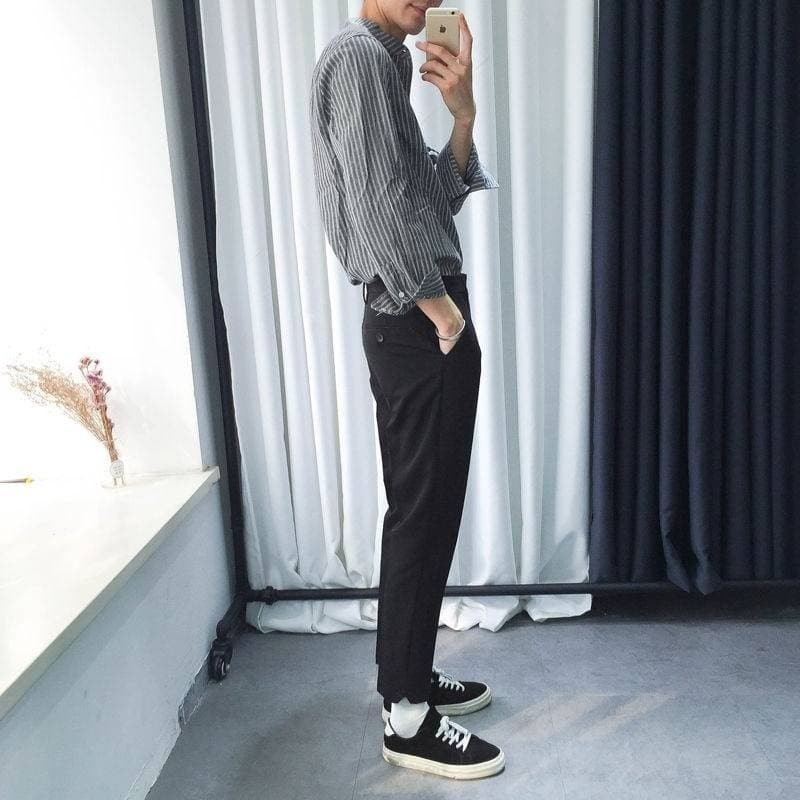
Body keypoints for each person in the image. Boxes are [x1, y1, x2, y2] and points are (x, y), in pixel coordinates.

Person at [309, 0, 504, 780]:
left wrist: (463, 117)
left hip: (418, 319)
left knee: (423, 512)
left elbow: (427, 192)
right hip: (417, 320)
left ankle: (409, 678)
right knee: (423, 516)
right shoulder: (359, 58)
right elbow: (378, 207)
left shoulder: (385, 60)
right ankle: (407, 717)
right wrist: (444, 315)